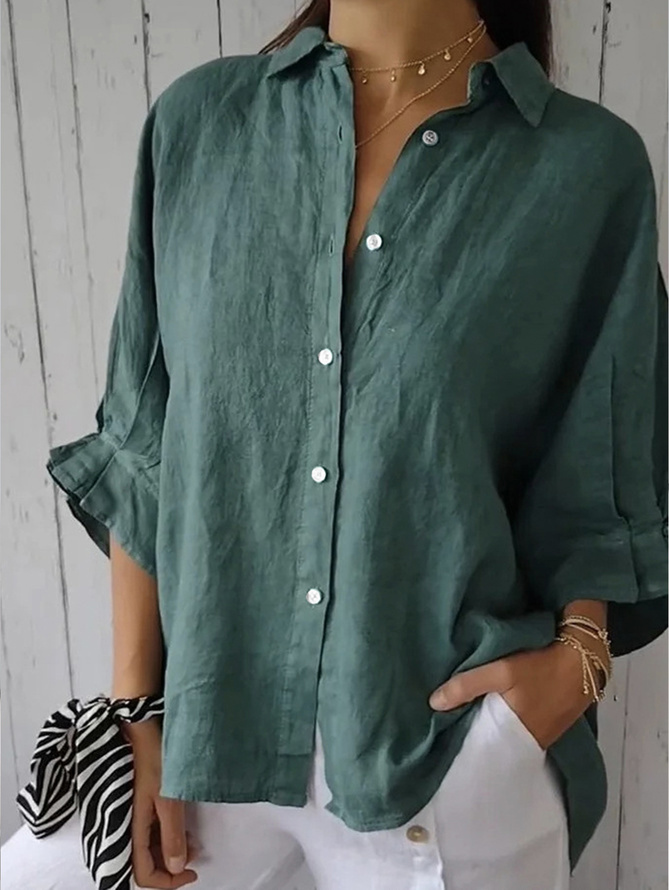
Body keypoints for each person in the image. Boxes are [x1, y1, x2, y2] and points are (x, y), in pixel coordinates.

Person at [4, 0, 667, 888]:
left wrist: (571, 669)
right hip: (210, 735)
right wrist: (137, 711)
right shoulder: (201, 125)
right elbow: (144, 440)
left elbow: (601, 464)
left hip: (442, 754)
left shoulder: (583, 166)